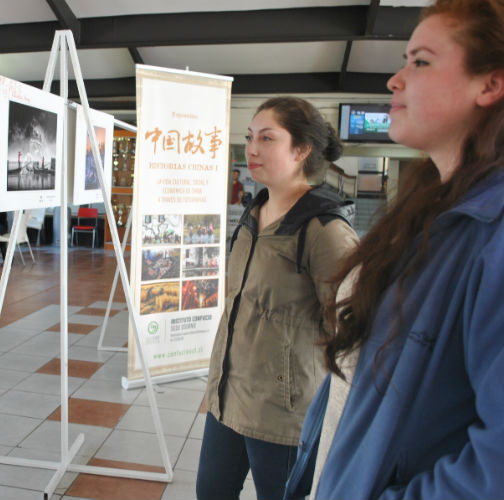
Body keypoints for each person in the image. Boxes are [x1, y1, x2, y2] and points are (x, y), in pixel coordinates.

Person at [284, 1, 504, 498]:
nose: (395, 79)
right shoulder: (429, 214)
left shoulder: (491, 233)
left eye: (420, 61)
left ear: (490, 84)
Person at [197, 96, 359, 500]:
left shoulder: (324, 231)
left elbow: (354, 332)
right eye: (250, 137)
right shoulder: (253, 213)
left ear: (302, 150)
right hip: (228, 396)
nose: (252, 148)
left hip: (284, 413)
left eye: (267, 138)